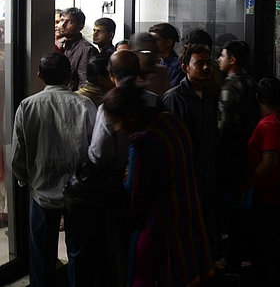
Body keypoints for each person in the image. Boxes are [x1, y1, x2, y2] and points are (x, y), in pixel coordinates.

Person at [101, 81, 216, 286]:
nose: (117, 128)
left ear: (130, 116)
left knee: (142, 273)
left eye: (117, 121)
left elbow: (136, 191)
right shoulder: (171, 121)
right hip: (189, 210)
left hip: (162, 219)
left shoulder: (144, 141)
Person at [12, 52, 98, 287]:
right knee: (79, 252)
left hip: (41, 189)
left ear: (40, 76)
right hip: (78, 191)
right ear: (70, 75)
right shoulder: (84, 104)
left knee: (41, 252)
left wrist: (24, 180)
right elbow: (95, 150)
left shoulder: (27, 106)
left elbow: (19, 151)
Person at [87, 49, 163, 287]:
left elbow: (99, 153)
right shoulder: (154, 100)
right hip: (155, 179)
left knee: (120, 244)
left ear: (110, 74)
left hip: (119, 185)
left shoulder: (109, 105)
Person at [162, 43, 218, 251]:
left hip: (206, 176)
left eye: (208, 63)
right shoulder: (174, 98)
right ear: (185, 67)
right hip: (184, 178)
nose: (206, 67)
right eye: (199, 63)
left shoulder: (209, 95)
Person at [243, 76, 280, 285]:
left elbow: (269, 163)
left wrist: (246, 185)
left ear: (257, 98)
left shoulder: (269, 124)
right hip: (276, 197)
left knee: (265, 256)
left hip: (268, 197)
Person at [216, 40, 260, 272]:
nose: (219, 60)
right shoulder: (252, 83)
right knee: (244, 209)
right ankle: (246, 254)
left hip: (231, 156)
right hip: (250, 153)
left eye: (222, 56)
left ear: (233, 60)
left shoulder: (228, 86)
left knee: (232, 210)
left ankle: (232, 258)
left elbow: (223, 128)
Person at [57, 7, 99, 91]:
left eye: (69, 22)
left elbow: (84, 83)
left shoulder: (87, 50)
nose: (63, 25)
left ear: (80, 27)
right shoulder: (58, 43)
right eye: (62, 20)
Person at [129, 31, 171, 96]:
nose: (154, 58)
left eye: (156, 53)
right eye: (148, 53)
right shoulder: (124, 73)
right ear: (134, 52)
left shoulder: (161, 73)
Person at [148, 22, 185, 87]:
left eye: (155, 40)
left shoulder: (177, 66)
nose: (151, 44)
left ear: (169, 42)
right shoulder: (156, 62)